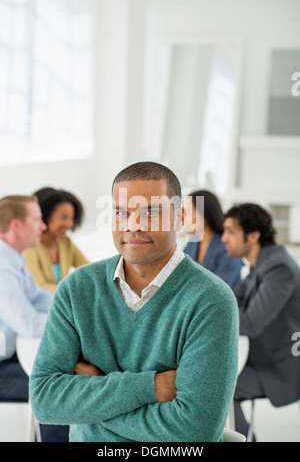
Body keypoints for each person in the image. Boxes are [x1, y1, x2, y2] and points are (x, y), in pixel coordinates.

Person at [29, 161, 239, 442]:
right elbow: (45, 401)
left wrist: (93, 397)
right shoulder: (76, 289)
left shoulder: (212, 300)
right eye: (121, 213)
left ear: (179, 218)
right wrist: (151, 386)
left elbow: (195, 431)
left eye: (150, 212)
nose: (133, 225)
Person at [222, 203, 300, 438]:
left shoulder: (278, 267)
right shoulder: (261, 263)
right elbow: (232, 296)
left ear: (253, 235)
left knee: (219, 387)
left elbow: (251, 323)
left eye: (231, 231)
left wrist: (213, 318)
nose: (224, 238)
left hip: (280, 365)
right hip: (260, 356)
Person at [0, 195, 69, 442]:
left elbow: (41, 298)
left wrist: (75, 309)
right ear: (16, 225)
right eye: (37, 220)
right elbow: (29, 324)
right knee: (56, 390)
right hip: (3, 366)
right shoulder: (1, 266)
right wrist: (71, 325)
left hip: (9, 357)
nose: (43, 227)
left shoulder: (12, 260)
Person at [23, 187, 89, 292]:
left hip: (58, 304)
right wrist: (75, 292)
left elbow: (90, 270)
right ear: (44, 216)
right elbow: (39, 288)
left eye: (71, 218)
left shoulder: (65, 243)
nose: (69, 224)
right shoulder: (29, 246)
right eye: (63, 217)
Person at [184, 190, 242, 287]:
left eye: (188, 212)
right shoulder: (193, 242)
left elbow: (221, 289)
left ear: (204, 216)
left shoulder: (228, 248)